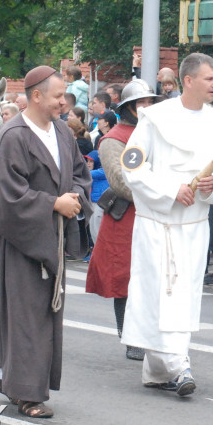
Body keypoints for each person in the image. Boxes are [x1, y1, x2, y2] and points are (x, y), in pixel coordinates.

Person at [120, 53, 213, 396]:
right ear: (188, 81)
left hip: (193, 225)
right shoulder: (154, 119)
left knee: (182, 297)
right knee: (156, 296)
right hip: (156, 223)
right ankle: (179, 365)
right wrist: (169, 190)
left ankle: (162, 368)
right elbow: (132, 166)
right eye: (210, 78)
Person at [0, 66, 93, 419]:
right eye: (59, 96)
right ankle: (26, 393)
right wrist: (52, 204)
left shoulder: (62, 131)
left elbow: (80, 173)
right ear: (36, 96)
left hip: (52, 236)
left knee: (41, 317)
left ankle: (11, 380)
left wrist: (75, 197)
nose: (65, 102)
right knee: (24, 317)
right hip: (21, 240)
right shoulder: (12, 136)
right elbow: (6, 197)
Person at [85, 80, 161, 361]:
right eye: (141, 103)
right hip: (128, 214)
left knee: (155, 276)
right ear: (128, 108)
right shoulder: (114, 139)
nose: (146, 108)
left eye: (149, 102)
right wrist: (159, 192)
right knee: (124, 277)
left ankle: (151, 332)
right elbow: (120, 181)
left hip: (157, 211)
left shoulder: (159, 133)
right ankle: (129, 335)